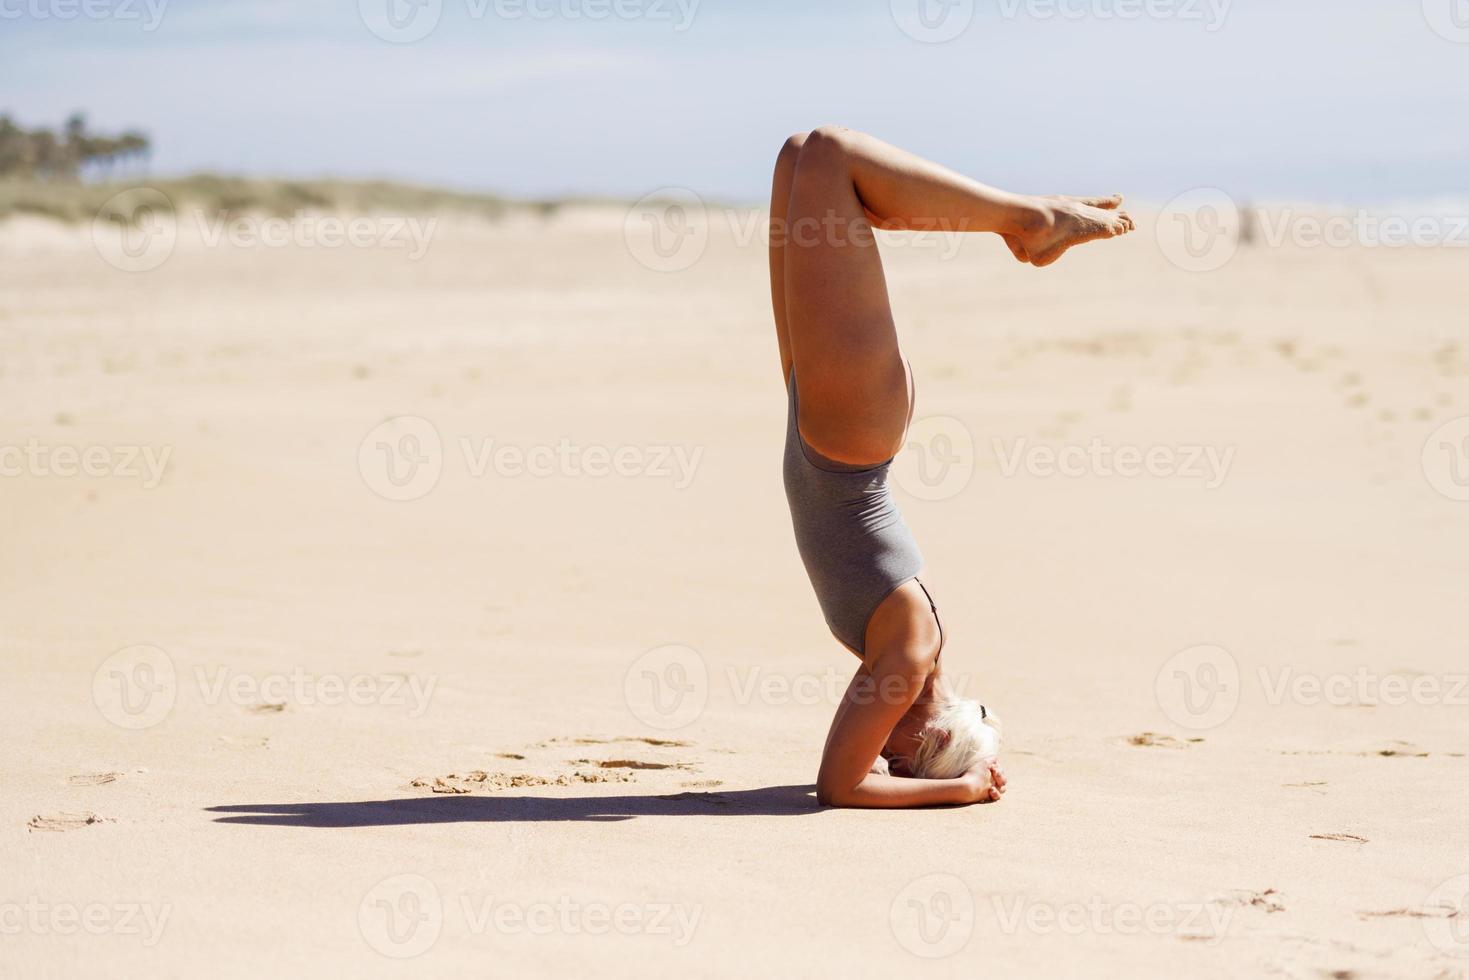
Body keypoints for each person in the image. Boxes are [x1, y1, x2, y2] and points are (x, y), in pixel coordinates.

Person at [770, 126, 1134, 808]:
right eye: (898, 757)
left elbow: (845, 776)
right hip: (848, 435)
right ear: (929, 738)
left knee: (799, 164)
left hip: (823, 428)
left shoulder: (905, 654)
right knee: (829, 157)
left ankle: (1020, 219)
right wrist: (960, 789)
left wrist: (957, 778)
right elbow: (839, 786)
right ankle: (1028, 221)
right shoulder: (907, 655)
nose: (881, 750)